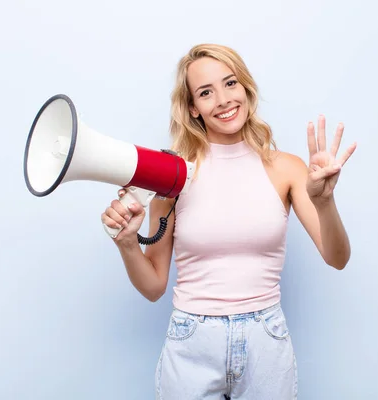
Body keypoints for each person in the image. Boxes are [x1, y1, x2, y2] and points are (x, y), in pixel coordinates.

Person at [101, 44, 356, 400]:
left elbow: (337, 258)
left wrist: (324, 201)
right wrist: (128, 244)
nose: (222, 100)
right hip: (192, 339)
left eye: (230, 83)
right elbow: (154, 287)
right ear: (193, 108)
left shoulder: (287, 167)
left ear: (246, 89)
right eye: (206, 92)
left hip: (265, 338)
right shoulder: (172, 175)